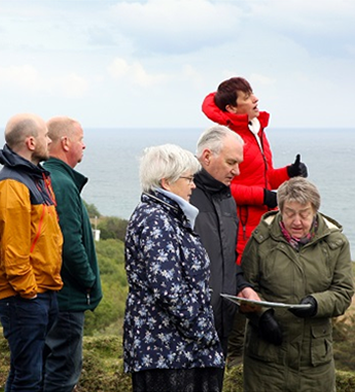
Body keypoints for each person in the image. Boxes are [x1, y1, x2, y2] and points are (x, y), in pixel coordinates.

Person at [201, 76, 308, 364]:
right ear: (233, 109)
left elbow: (261, 177)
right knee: (237, 292)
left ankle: (246, 360)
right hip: (236, 228)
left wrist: (288, 173)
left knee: (255, 285)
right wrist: (264, 197)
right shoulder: (224, 136)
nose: (255, 99)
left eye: (252, 93)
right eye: (247, 96)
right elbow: (221, 187)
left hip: (258, 227)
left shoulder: (254, 130)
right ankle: (231, 363)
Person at [123, 144, 224, 392]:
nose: (193, 185)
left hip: (174, 350)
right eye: (189, 178)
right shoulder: (156, 218)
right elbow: (168, 289)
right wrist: (202, 330)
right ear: (166, 182)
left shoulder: (165, 215)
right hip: (168, 352)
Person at [240, 177, 354, 391]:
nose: (297, 221)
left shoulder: (336, 243)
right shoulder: (260, 239)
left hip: (314, 363)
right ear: (280, 209)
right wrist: (261, 315)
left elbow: (344, 292)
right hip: (265, 360)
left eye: (304, 214)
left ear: (315, 211)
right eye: (290, 213)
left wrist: (316, 303)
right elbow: (244, 285)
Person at [0, 113, 63, 391]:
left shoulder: (35, 178)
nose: (50, 140)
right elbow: (14, 249)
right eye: (45, 136)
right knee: (27, 376)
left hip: (40, 291)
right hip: (22, 295)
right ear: (31, 142)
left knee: (29, 372)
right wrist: (29, 292)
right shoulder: (12, 184)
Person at [42, 116, 103, 392]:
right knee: (62, 375)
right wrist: (89, 280)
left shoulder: (48, 177)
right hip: (66, 297)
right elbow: (69, 243)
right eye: (80, 139)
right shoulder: (63, 183)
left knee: (47, 369)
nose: (84, 146)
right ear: (65, 143)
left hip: (53, 295)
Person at [190, 125, 261, 363]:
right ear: (207, 156)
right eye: (232, 162)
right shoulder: (183, 196)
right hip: (186, 331)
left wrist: (242, 286)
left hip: (221, 326)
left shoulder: (228, 198)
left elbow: (226, 260)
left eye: (239, 163)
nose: (237, 171)